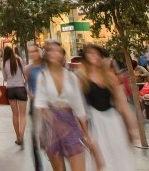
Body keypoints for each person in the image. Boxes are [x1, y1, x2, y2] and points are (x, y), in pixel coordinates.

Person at [34, 41, 103, 171]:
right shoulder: (42, 77)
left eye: (58, 51)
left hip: (70, 124)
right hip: (51, 126)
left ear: (62, 55)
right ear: (46, 55)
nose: (54, 54)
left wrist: (86, 135)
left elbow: (79, 107)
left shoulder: (71, 77)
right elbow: (41, 104)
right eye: (51, 51)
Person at [79, 44, 138, 169]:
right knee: (101, 157)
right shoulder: (82, 78)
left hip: (112, 120)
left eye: (96, 53)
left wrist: (132, 127)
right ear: (85, 58)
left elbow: (122, 102)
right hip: (94, 121)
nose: (93, 56)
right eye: (90, 53)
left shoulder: (109, 77)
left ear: (101, 57)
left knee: (119, 154)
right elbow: (78, 107)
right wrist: (83, 133)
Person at [25, 44, 46, 171]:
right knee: (35, 134)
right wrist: (29, 93)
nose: (32, 54)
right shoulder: (28, 68)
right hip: (35, 103)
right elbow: (27, 84)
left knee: (48, 132)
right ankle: (38, 165)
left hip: (47, 103)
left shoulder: (47, 67)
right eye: (30, 52)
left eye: (34, 51)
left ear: (40, 53)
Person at [2, 45, 28, 146]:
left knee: (15, 114)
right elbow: (24, 72)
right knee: (22, 115)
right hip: (21, 88)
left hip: (10, 90)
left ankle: (18, 137)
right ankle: (22, 134)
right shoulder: (19, 60)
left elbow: (4, 78)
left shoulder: (4, 63)